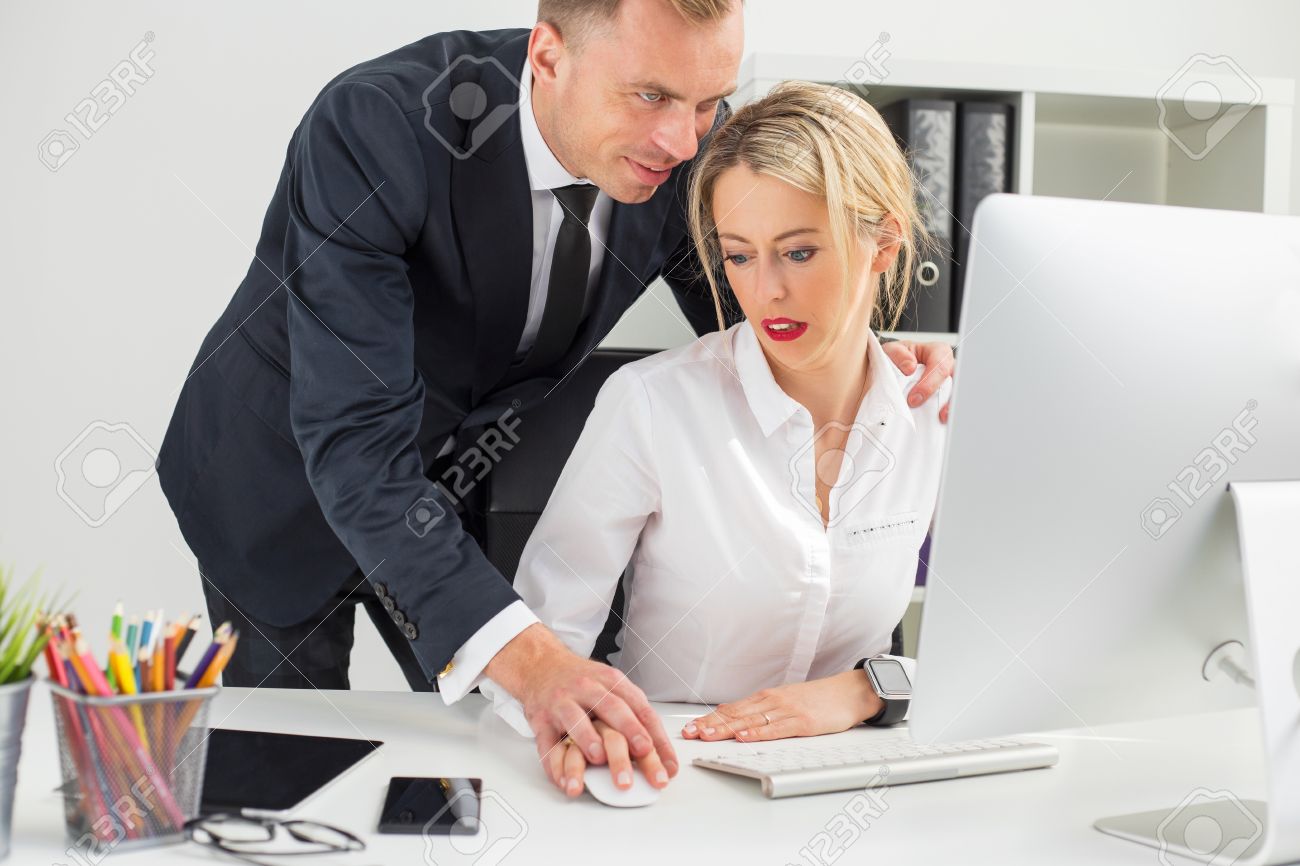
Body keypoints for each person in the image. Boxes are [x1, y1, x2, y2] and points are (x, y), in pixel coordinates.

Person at [156, 0, 955, 797]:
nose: (684, 142)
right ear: (547, 57)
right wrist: (532, 659)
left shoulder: (681, 144)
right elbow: (356, 445)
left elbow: (759, 311)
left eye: (708, 102)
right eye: (651, 96)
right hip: (285, 487)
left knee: (486, 766)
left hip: (469, 485)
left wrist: (871, 363)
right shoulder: (376, 127)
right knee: (293, 786)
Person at [481, 79, 949, 798]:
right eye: (739, 256)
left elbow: (1020, 648)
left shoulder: (932, 413)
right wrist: (580, 722)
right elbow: (543, 649)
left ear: (884, 242)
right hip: (671, 774)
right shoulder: (653, 404)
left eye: (798, 253)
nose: (765, 292)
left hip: (852, 785)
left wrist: (865, 691)